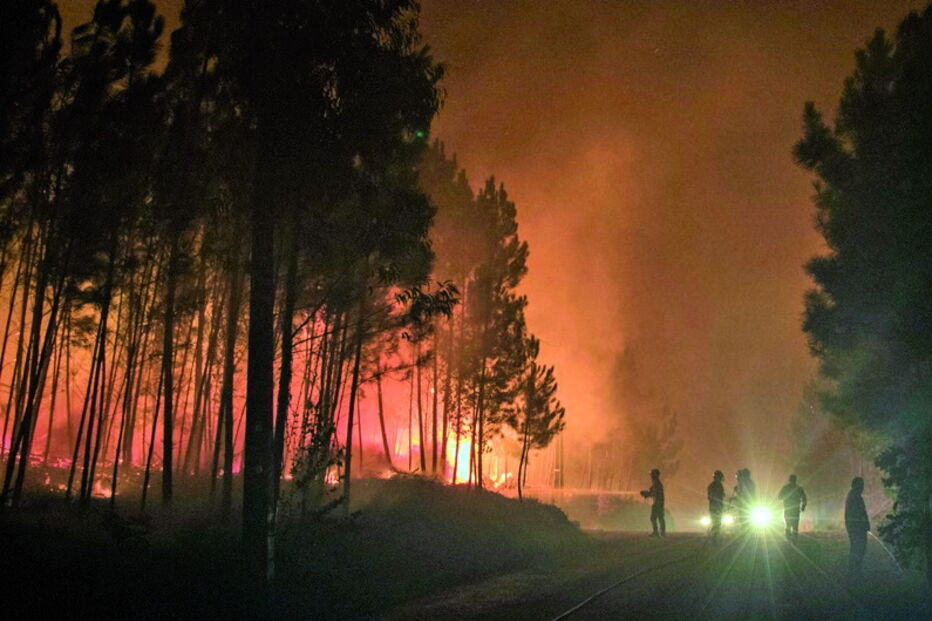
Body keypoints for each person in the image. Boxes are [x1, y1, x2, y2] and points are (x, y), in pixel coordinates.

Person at [845, 477, 870, 575]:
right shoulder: (855, 497)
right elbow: (859, 513)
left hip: (854, 527)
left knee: (857, 547)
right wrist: (864, 524)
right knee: (858, 547)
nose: (863, 487)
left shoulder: (853, 495)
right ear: (856, 485)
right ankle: (855, 570)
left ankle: (854, 569)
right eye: (861, 485)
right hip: (857, 528)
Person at [777, 474, 808, 542]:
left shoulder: (785, 488)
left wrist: (786, 497)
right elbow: (804, 498)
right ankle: (794, 540)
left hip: (787, 509)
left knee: (788, 524)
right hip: (796, 509)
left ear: (789, 480)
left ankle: (788, 539)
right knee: (795, 525)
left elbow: (779, 497)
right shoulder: (799, 488)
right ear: (795, 480)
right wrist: (803, 507)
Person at [640, 468, 665, 537]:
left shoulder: (657, 484)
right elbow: (653, 493)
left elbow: (654, 494)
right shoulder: (656, 484)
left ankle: (657, 532)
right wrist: (647, 494)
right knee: (660, 518)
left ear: (654, 475)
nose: (650, 476)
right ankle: (661, 533)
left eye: (651, 474)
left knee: (654, 518)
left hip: (658, 503)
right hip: (659, 503)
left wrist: (646, 494)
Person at [707, 470, 726, 542]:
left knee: (716, 522)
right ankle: (714, 537)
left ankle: (715, 536)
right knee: (716, 522)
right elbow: (711, 496)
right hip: (716, 507)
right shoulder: (716, 486)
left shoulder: (714, 485)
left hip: (715, 506)